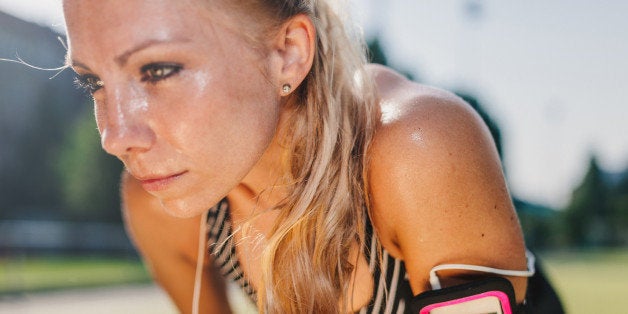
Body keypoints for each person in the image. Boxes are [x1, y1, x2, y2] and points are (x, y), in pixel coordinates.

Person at [62, 0, 560, 313]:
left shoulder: (415, 150)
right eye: (92, 81)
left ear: (288, 52)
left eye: (158, 70)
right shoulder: (166, 202)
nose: (115, 134)